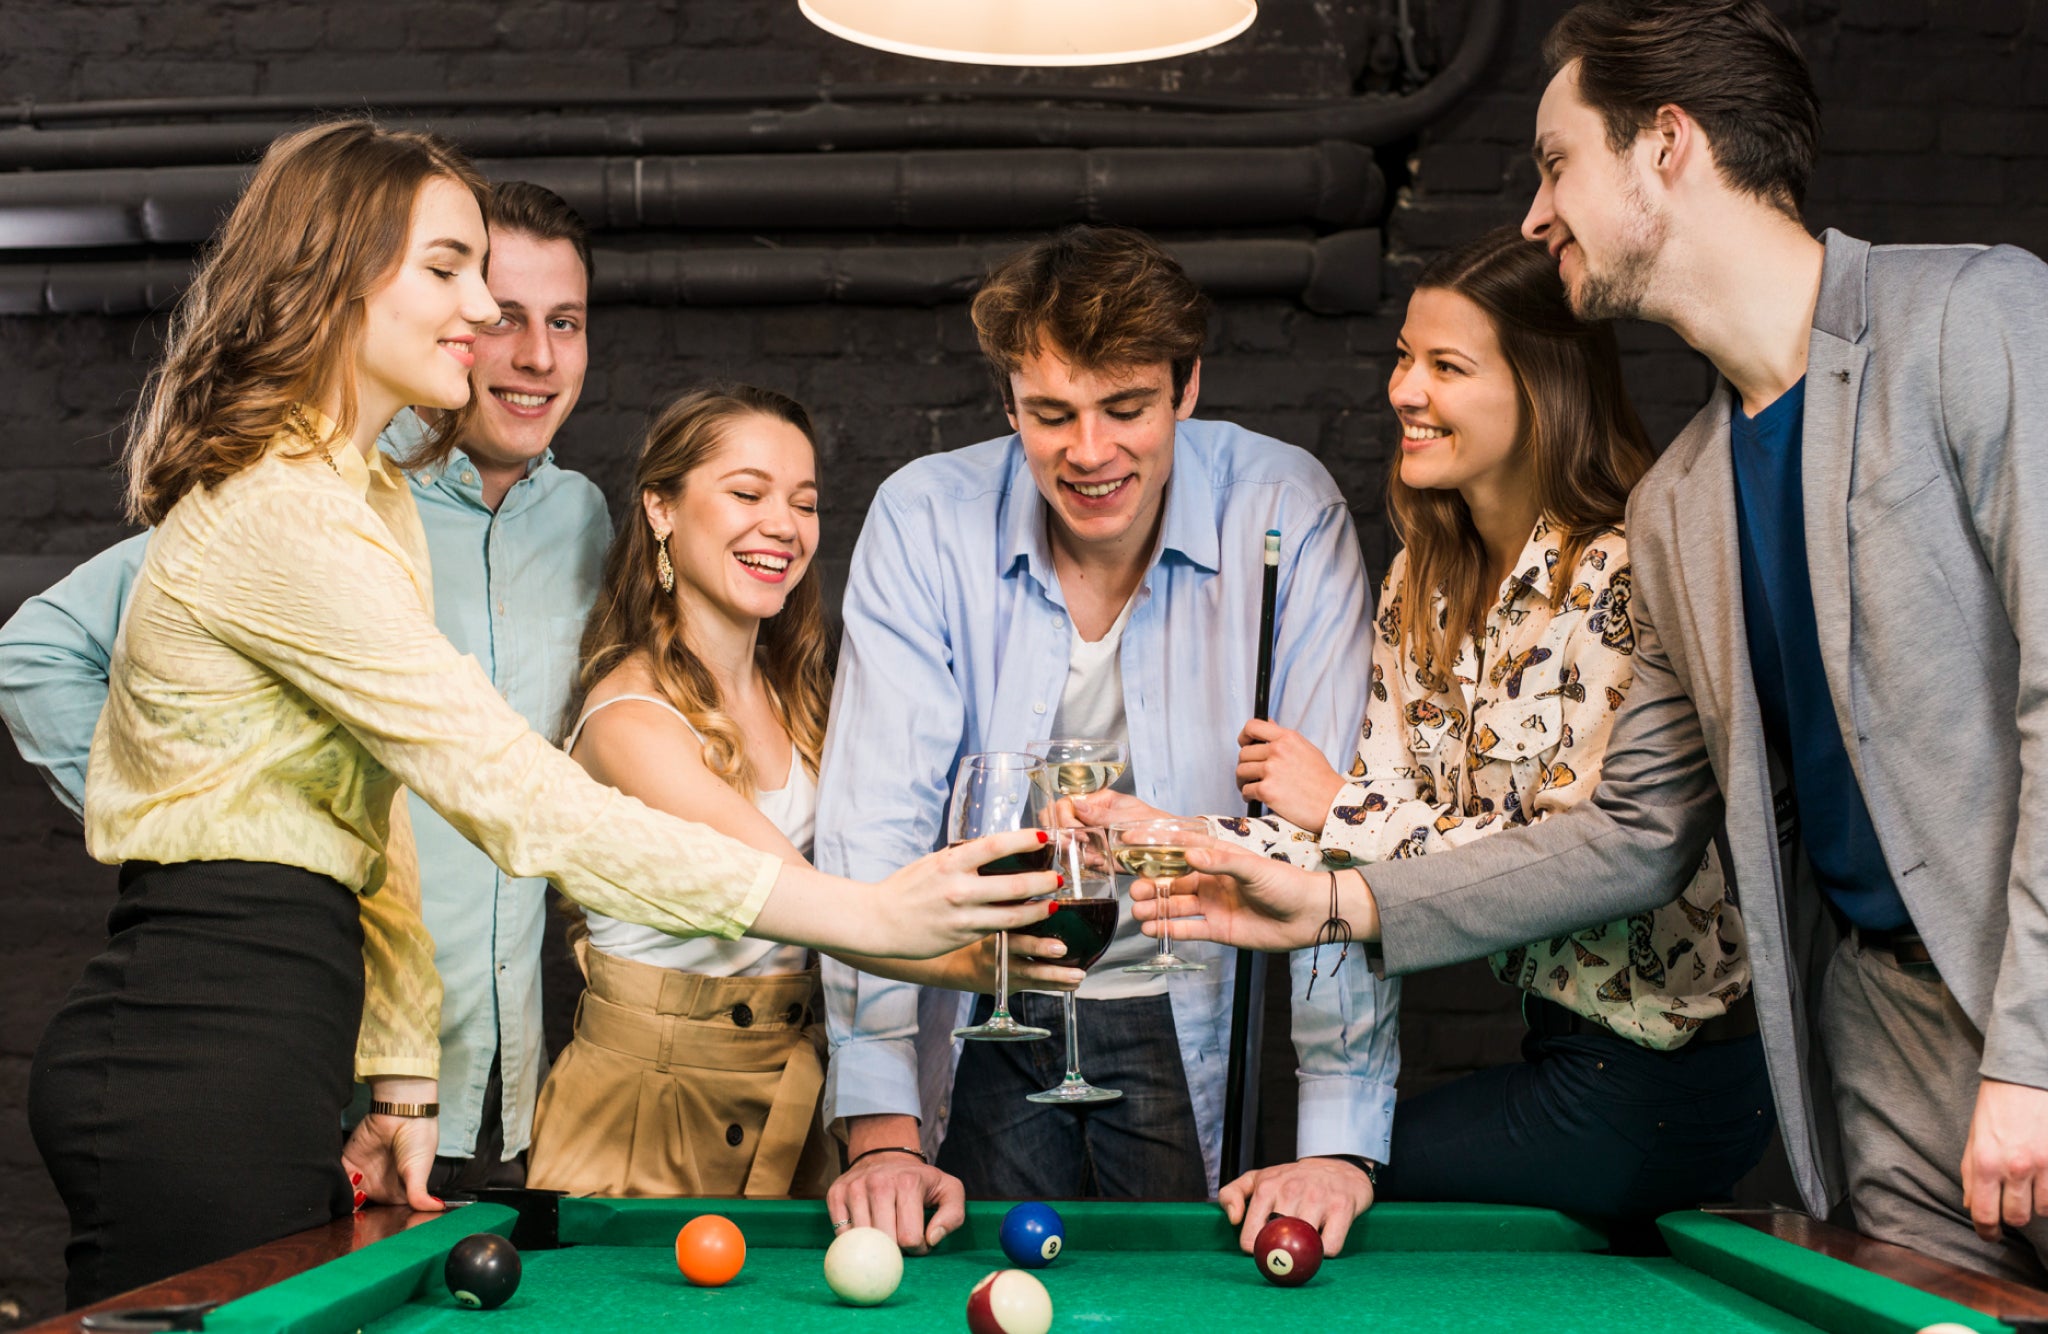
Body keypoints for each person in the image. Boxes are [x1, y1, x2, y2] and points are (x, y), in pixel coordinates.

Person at [21, 120, 1051, 1309]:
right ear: (341, 277)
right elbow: (521, 798)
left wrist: (400, 1072)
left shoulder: (357, 499)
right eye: (449, 270)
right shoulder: (283, 515)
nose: (486, 312)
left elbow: (379, 814)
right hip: (196, 1023)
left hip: (277, 1022)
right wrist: (868, 914)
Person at [1119, 0, 2048, 1286]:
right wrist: (1330, 898)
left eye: (1555, 164)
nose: (1535, 214)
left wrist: (2028, 1050)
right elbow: (1635, 834)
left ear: (1665, 144)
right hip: (1878, 1039)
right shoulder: (1678, 500)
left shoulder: (1974, 316)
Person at [1080, 226, 1773, 1233]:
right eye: (1405, 356)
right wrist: (1176, 840)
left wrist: (1340, 807)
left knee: (1331, 1193)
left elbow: (1584, 861)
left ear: (1542, 388)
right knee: (1320, 1181)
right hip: (1562, 1053)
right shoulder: (1421, 582)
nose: (1404, 389)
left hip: (1669, 1077)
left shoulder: (1624, 573)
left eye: (1446, 366)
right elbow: (1361, 831)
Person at [2, 181, 612, 1197]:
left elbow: (536, 787)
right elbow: (38, 647)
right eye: (503, 315)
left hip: (495, 1086)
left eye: (566, 322)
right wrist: (198, 819)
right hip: (319, 1062)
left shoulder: (584, 521)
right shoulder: (334, 495)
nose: (536, 356)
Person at [816, 224, 1396, 1259]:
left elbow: (1331, 844)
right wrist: (881, 1131)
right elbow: (875, 827)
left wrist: (1338, 1143)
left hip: (1189, 1000)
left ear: (1187, 387)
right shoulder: (924, 519)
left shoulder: (1285, 510)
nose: (1088, 451)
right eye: (1051, 414)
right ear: (1009, 406)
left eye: (1125, 408)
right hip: (985, 997)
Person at [528, 385, 1083, 1199]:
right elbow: (804, 900)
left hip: (791, 1104)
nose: (783, 526)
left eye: (804, 502)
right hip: (646, 1116)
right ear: (661, 509)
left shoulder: (801, 696)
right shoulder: (628, 720)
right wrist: (980, 963)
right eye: (747, 494)